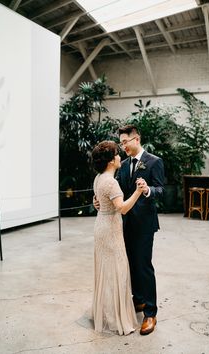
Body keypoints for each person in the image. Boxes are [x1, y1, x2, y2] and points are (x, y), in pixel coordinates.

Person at [91, 140, 147, 335]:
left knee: (107, 270)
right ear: (110, 161)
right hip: (111, 229)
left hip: (101, 225)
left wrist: (96, 201)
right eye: (116, 154)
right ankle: (116, 318)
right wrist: (139, 192)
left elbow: (97, 197)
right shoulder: (111, 181)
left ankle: (107, 312)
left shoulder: (99, 178)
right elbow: (122, 208)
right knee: (117, 270)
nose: (119, 156)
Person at [116, 124, 164, 335]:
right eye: (121, 143)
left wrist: (148, 190)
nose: (123, 146)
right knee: (131, 264)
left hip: (145, 224)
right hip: (125, 224)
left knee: (144, 265)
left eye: (125, 142)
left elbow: (161, 188)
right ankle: (139, 299)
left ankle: (151, 313)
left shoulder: (154, 161)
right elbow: (118, 189)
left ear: (136, 139)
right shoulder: (124, 165)